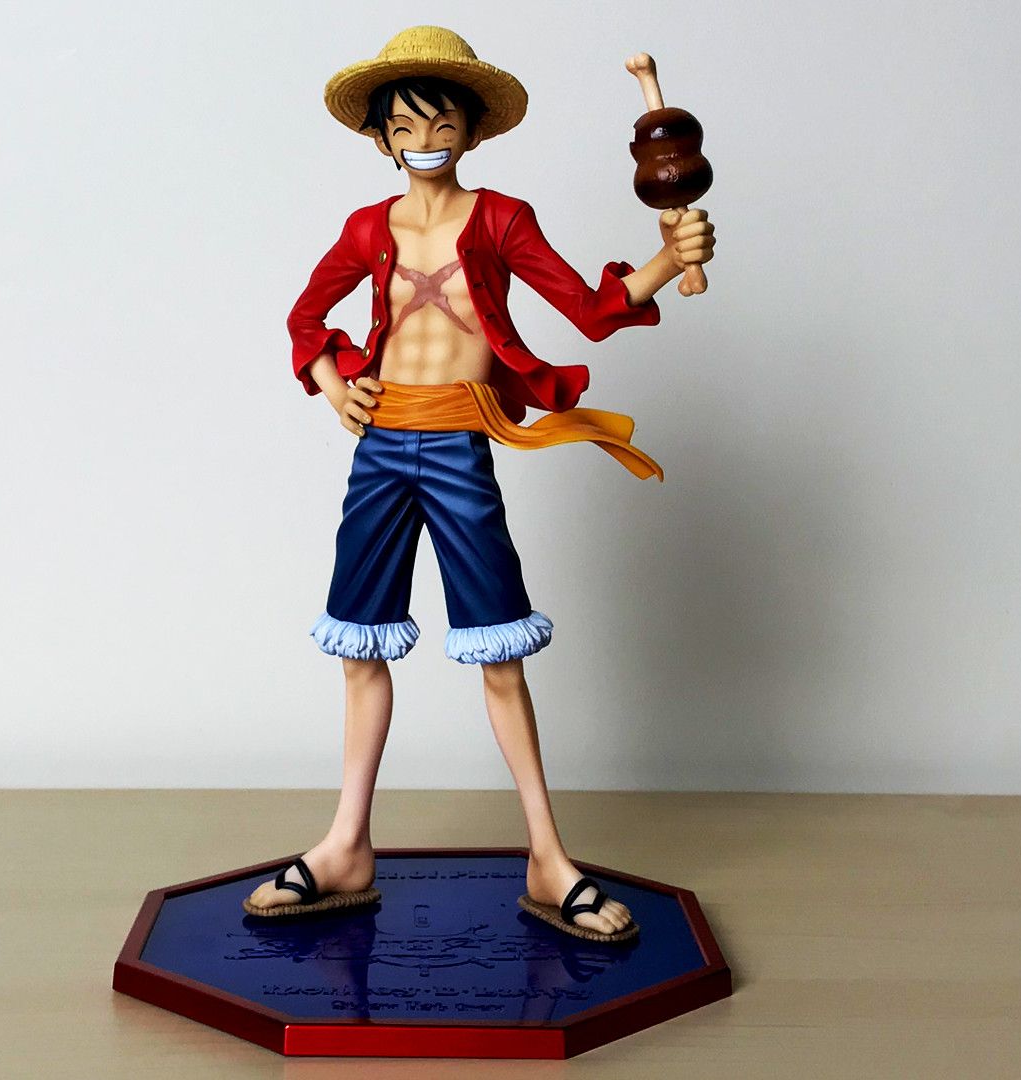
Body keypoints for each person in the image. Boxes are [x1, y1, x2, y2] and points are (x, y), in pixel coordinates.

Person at [243, 26, 715, 941]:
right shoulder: (367, 229)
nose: (424, 140)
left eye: (441, 122)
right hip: (382, 449)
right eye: (405, 127)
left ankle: (548, 856)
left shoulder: (502, 219)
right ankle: (346, 844)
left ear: (471, 130)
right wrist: (336, 385)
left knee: (500, 652)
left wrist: (666, 255)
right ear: (381, 140)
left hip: (461, 445)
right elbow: (305, 316)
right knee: (359, 647)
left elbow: (588, 309)